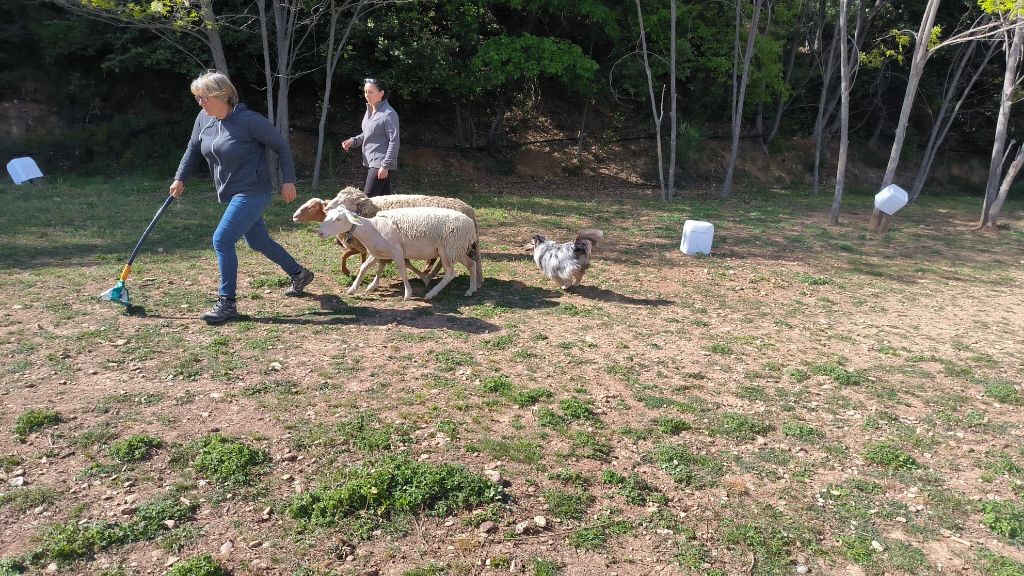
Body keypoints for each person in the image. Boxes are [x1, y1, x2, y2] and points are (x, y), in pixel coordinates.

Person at [170, 71, 314, 325]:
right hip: (232, 191)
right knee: (258, 241)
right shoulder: (204, 119)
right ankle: (299, 273)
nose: (200, 103)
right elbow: (193, 148)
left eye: (203, 98)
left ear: (221, 95)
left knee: (222, 240)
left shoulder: (249, 121)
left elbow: (281, 146)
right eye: (198, 99)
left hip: (253, 191)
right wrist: (180, 178)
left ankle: (227, 303)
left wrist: (288, 180)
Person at [342, 77, 400, 197]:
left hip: (380, 163)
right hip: (370, 161)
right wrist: (353, 141)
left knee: (366, 199)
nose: (367, 95)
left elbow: (394, 142)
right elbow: (367, 133)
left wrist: (385, 166)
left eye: (371, 92)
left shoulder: (389, 114)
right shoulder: (370, 110)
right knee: (385, 201)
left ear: (381, 93)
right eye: (365, 91)